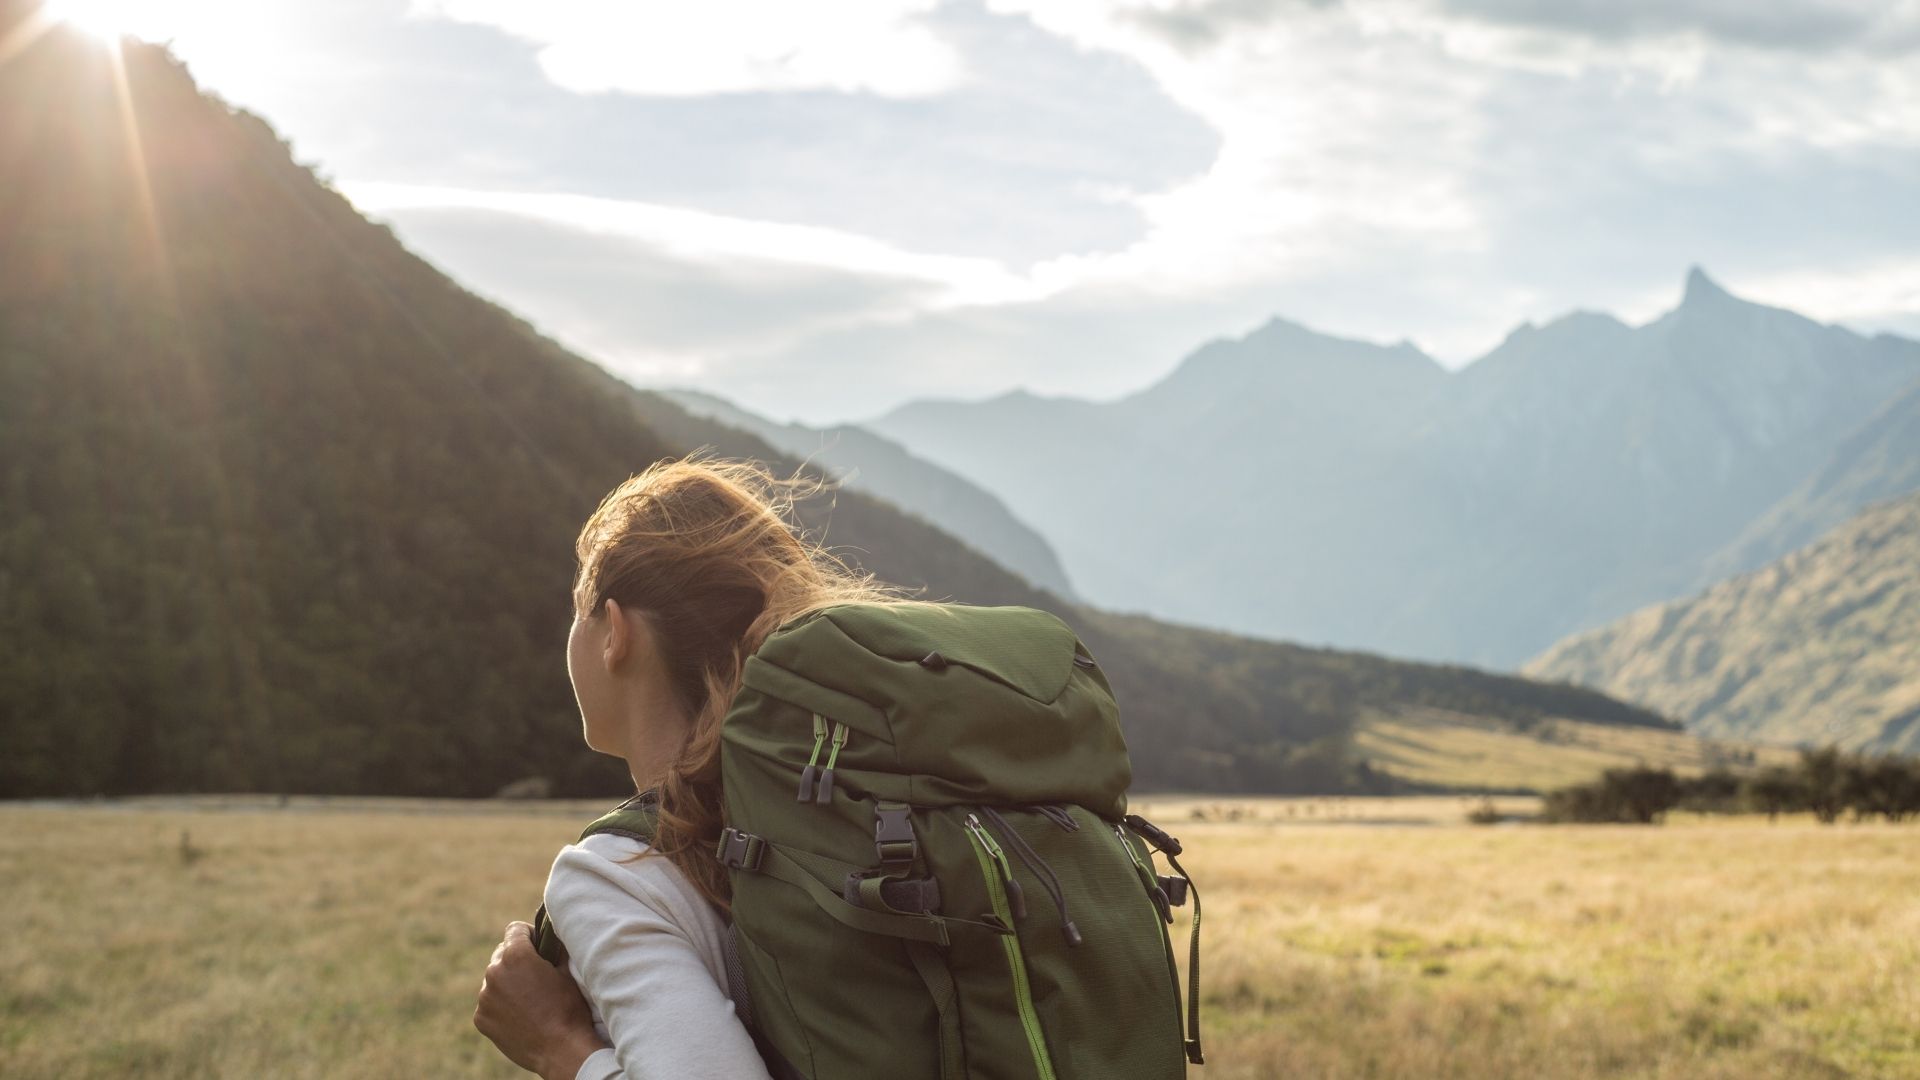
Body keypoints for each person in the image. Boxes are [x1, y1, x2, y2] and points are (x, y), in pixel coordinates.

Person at [473, 456, 916, 1080]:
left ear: (614, 633)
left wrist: (557, 1046)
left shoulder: (615, 877)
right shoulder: (846, 814)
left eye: (579, 606)